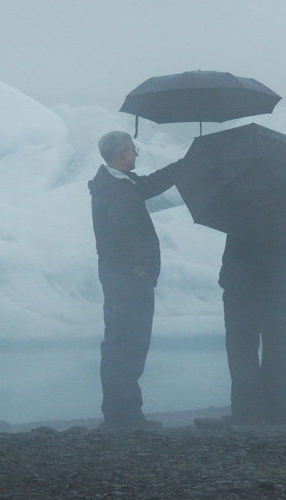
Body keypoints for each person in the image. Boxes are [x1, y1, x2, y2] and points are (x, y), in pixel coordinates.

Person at [88, 131, 179, 430]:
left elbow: (150, 184)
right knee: (128, 343)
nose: (136, 154)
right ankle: (124, 416)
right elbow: (121, 231)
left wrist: (185, 165)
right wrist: (139, 267)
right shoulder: (118, 190)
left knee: (119, 342)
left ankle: (120, 413)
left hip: (120, 277)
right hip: (128, 280)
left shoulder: (116, 184)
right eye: (133, 150)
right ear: (123, 153)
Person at [212, 230, 286, 426]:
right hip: (276, 286)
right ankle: (277, 410)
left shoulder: (239, 207)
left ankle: (246, 411)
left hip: (242, 288)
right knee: (278, 349)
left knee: (242, 350)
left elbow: (237, 249)